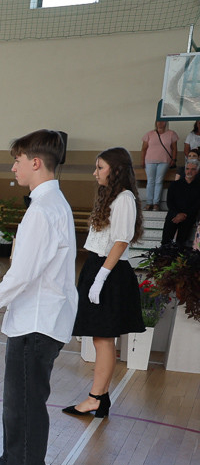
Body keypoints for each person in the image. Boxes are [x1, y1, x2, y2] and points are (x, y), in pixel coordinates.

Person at [0, 130, 78, 465]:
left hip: (37, 320)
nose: (14, 167)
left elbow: (22, 275)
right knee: (18, 401)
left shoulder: (43, 209)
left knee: (25, 402)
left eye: (17, 160)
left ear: (35, 162)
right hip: (39, 318)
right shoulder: (53, 204)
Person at [63, 147, 146, 419]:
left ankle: (96, 398)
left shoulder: (124, 199)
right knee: (101, 338)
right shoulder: (111, 197)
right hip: (97, 266)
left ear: (116, 170)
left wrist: (100, 278)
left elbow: (121, 241)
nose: (94, 172)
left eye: (100, 167)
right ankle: (100, 396)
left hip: (109, 271)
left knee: (103, 338)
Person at [141, 119, 177, 211]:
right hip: (149, 161)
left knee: (159, 181)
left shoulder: (171, 134)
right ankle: (149, 203)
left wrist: (174, 159)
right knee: (150, 181)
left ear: (166, 122)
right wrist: (142, 160)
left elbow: (174, 148)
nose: (160, 123)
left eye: (162, 121)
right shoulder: (149, 134)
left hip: (164, 161)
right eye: (158, 121)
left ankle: (156, 203)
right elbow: (144, 148)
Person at [162, 158, 200, 245]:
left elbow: (197, 204)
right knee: (166, 242)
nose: (189, 171)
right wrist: (177, 214)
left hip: (188, 218)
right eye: (187, 169)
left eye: (193, 169)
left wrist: (184, 215)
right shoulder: (174, 184)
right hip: (173, 216)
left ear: (197, 171)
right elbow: (170, 202)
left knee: (181, 244)